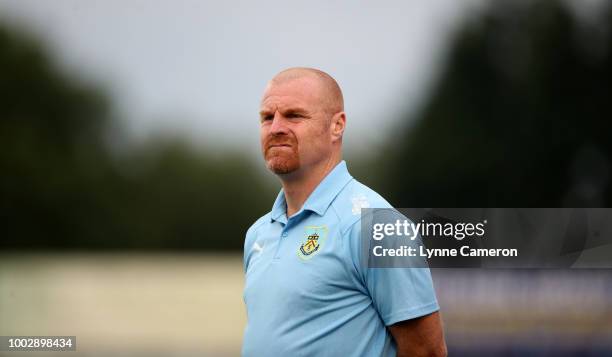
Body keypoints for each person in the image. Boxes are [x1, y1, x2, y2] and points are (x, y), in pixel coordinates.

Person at [242, 67, 446, 357]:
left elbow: (427, 351)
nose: (276, 128)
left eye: (294, 115)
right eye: (267, 117)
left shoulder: (375, 224)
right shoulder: (258, 234)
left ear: (336, 126)